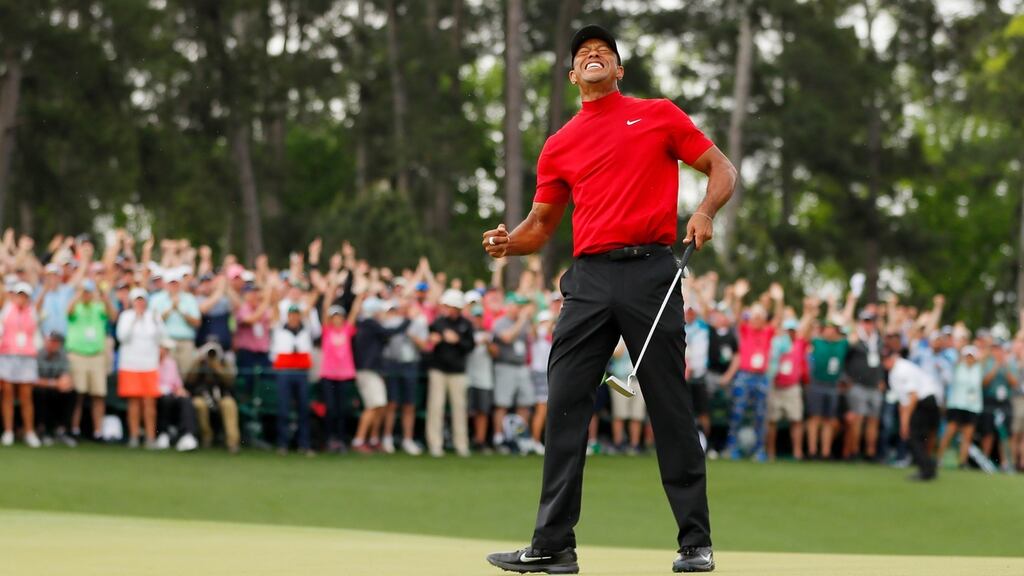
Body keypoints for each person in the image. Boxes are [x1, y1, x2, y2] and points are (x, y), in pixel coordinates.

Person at [482, 24, 736, 574]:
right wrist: (508, 244)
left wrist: (704, 211)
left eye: (604, 51)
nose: (593, 55)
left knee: (669, 406)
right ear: (574, 75)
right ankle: (553, 545)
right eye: (583, 53)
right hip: (589, 281)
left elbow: (722, 167)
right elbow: (540, 226)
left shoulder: (658, 114)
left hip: (652, 273)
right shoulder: (559, 143)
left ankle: (695, 543)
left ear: (619, 69)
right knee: (565, 404)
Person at [722, 284, 784, 462]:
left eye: (759, 316)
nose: (756, 319)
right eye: (754, 316)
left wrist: (779, 300)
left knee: (760, 415)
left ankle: (759, 450)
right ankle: (731, 448)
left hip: (761, 378)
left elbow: (778, 319)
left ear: (763, 318)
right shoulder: (745, 330)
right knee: (738, 413)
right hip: (744, 376)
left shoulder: (767, 332)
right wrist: (739, 298)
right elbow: (736, 315)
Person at [352, 297, 409, 453]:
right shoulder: (369, 323)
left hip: (373, 371)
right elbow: (389, 332)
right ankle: (359, 440)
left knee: (380, 405)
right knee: (373, 406)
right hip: (367, 371)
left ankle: (373, 439)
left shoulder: (367, 324)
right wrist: (407, 322)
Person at [425, 289, 475, 457]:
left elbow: (470, 346)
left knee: (459, 409)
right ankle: (435, 444)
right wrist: (436, 339)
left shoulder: (466, 324)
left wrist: (457, 340)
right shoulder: (438, 322)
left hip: (458, 372)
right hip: (438, 370)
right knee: (436, 407)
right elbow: (430, 340)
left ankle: (461, 445)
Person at [882, 346, 942, 481]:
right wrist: (904, 423)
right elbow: (903, 402)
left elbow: (913, 396)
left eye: (887, 358)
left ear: (894, 357)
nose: (885, 362)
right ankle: (928, 468)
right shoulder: (895, 372)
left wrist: (906, 422)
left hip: (924, 402)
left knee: (915, 437)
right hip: (926, 401)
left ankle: (926, 470)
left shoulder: (901, 369)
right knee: (919, 437)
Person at [66, 279, 115, 442]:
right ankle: (74, 429)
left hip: (96, 355)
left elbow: (113, 316)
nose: (86, 295)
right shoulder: (76, 305)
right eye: (84, 292)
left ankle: (98, 431)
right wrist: (78, 295)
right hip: (78, 354)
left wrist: (105, 298)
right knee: (77, 394)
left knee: (98, 394)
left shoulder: (99, 306)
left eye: (88, 292)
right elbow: (68, 312)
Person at [269, 302, 320, 456]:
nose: (294, 317)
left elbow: (310, 306)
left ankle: (304, 444)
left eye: (296, 314)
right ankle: (283, 444)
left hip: (302, 372)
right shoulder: (279, 328)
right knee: (283, 409)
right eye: (291, 314)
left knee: (304, 409)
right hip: (284, 372)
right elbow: (275, 310)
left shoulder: (306, 329)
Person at [380, 296, 429, 455]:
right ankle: (387, 438)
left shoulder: (418, 323)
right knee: (392, 403)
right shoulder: (389, 322)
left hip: (410, 364)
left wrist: (411, 334)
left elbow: (424, 345)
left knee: (409, 404)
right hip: (392, 364)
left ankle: (407, 439)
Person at [116, 288, 164, 448]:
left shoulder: (154, 316)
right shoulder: (126, 316)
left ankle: (150, 437)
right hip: (130, 365)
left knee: (150, 403)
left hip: (150, 365)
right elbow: (122, 337)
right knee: (133, 402)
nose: (140, 303)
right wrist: (135, 319)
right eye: (137, 300)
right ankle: (134, 436)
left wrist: (155, 322)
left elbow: (160, 337)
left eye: (142, 300)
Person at [318, 286, 363, 454]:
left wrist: (360, 297)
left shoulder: (347, 330)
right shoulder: (327, 331)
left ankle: (341, 439)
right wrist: (329, 294)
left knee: (342, 410)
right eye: (334, 316)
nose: (337, 319)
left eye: (339, 316)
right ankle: (330, 439)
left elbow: (354, 313)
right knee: (330, 409)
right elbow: (325, 310)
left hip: (344, 375)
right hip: (329, 375)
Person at [490, 294, 536, 453]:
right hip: (505, 366)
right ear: (509, 306)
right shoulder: (500, 322)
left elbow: (534, 337)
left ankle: (520, 436)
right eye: (518, 305)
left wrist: (529, 320)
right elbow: (507, 337)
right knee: (502, 403)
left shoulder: (524, 321)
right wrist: (522, 320)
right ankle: (499, 437)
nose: (520, 309)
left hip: (522, 366)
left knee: (525, 402)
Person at [1, 282, 42, 448]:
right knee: (7, 395)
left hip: (27, 357)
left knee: (26, 396)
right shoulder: (6, 308)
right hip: (8, 355)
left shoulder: (33, 311)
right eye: (19, 295)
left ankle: (29, 432)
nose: (22, 298)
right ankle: (8, 431)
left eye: (25, 296)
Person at [843, 310, 886, 461]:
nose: (868, 325)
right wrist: (847, 380)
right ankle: (854, 451)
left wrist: (881, 379)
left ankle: (870, 452)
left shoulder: (878, 341)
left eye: (870, 322)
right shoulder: (854, 340)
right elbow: (844, 360)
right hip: (858, 385)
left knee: (873, 420)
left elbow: (880, 363)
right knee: (858, 419)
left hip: (874, 386)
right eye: (865, 322)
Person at [765, 316, 809, 461]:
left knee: (796, 419)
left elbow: (806, 328)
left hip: (792, 387)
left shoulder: (799, 343)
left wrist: (809, 313)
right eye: (788, 330)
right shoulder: (775, 343)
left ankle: (797, 452)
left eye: (792, 330)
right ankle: (770, 452)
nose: (790, 333)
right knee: (772, 420)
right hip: (775, 386)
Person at [805, 317, 849, 460]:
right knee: (814, 417)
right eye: (826, 329)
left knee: (829, 419)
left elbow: (852, 331)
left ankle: (825, 452)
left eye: (831, 329)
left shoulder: (842, 344)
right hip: (817, 383)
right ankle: (812, 451)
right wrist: (810, 315)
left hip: (832, 385)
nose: (828, 331)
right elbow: (804, 335)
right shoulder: (817, 342)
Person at [185, 342, 240, 453]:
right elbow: (189, 381)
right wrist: (198, 363)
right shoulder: (200, 364)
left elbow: (230, 382)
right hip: (203, 396)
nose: (211, 357)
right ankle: (206, 436)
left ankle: (232, 442)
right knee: (198, 404)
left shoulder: (224, 363)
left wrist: (218, 369)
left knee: (229, 404)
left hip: (222, 396)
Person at [149, 271, 201, 376]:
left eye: (175, 283)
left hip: (185, 342)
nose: (173, 286)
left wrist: (180, 310)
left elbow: (197, 322)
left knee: (187, 373)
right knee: (167, 374)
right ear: (166, 284)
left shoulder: (189, 298)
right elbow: (152, 322)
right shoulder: (156, 299)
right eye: (171, 283)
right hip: (166, 342)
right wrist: (171, 308)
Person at [938, 345, 983, 468]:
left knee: (967, 436)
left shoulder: (978, 368)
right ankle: (939, 458)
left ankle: (962, 462)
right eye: (967, 356)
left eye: (971, 356)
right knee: (949, 433)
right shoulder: (957, 367)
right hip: (956, 404)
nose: (969, 358)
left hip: (972, 406)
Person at [155, 339, 199, 451]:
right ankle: (163, 434)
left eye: (166, 349)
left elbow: (177, 384)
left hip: (171, 394)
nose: (164, 351)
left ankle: (187, 435)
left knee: (185, 400)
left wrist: (180, 390)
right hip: (156, 396)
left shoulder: (171, 363)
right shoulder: (149, 363)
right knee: (166, 400)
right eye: (162, 348)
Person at [35, 332, 76, 447]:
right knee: (42, 394)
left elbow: (66, 378)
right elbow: (33, 380)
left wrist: (60, 383)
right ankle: (44, 431)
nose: (54, 344)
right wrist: (53, 383)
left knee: (70, 393)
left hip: (56, 388)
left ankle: (62, 430)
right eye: (52, 341)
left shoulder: (62, 355)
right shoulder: (38, 354)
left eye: (57, 342)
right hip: (40, 389)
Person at [980, 341, 1016, 471]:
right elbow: (984, 382)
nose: (998, 352)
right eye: (995, 349)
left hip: (1004, 401)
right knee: (988, 431)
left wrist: (1005, 367)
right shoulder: (987, 363)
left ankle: (1005, 463)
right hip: (990, 400)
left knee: (1004, 432)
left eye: (1000, 349)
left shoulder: (1009, 364)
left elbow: (1014, 383)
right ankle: (984, 460)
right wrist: (996, 366)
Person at [465, 299, 495, 452]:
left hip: (484, 378)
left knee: (483, 411)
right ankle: (466, 439)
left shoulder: (488, 334)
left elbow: (495, 353)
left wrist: (488, 344)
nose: (477, 320)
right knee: (468, 410)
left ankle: (480, 440)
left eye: (479, 317)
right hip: (468, 376)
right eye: (475, 317)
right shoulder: (466, 333)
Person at [608, 338, 646, 455]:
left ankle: (634, 446)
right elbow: (616, 354)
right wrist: (626, 339)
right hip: (620, 379)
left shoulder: (641, 336)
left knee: (637, 415)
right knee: (619, 414)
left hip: (638, 380)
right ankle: (618, 444)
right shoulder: (618, 337)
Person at [529, 310, 555, 455]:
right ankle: (535, 440)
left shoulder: (550, 333)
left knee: (545, 409)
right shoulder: (540, 332)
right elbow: (542, 331)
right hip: (540, 373)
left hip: (547, 373)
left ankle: (539, 440)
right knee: (541, 408)